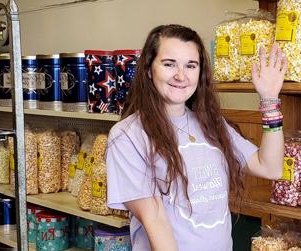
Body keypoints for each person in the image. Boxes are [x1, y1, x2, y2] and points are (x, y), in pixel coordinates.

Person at [105, 24, 288, 251]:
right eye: (169, 64)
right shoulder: (127, 136)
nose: (181, 76)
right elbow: (156, 220)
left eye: (190, 66)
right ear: (148, 70)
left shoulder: (211, 123)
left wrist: (270, 101)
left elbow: (269, 167)